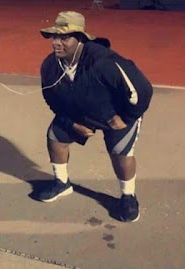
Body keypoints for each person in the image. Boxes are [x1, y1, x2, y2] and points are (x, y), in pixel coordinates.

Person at [38, 11, 153, 222]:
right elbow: (51, 99)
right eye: (54, 37)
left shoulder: (104, 62)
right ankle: (61, 184)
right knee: (55, 137)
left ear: (80, 38)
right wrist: (71, 123)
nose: (56, 42)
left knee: (120, 151)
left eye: (64, 37)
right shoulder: (50, 66)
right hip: (80, 113)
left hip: (115, 115)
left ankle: (128, 197)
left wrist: (127, 117)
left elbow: (142, 90)